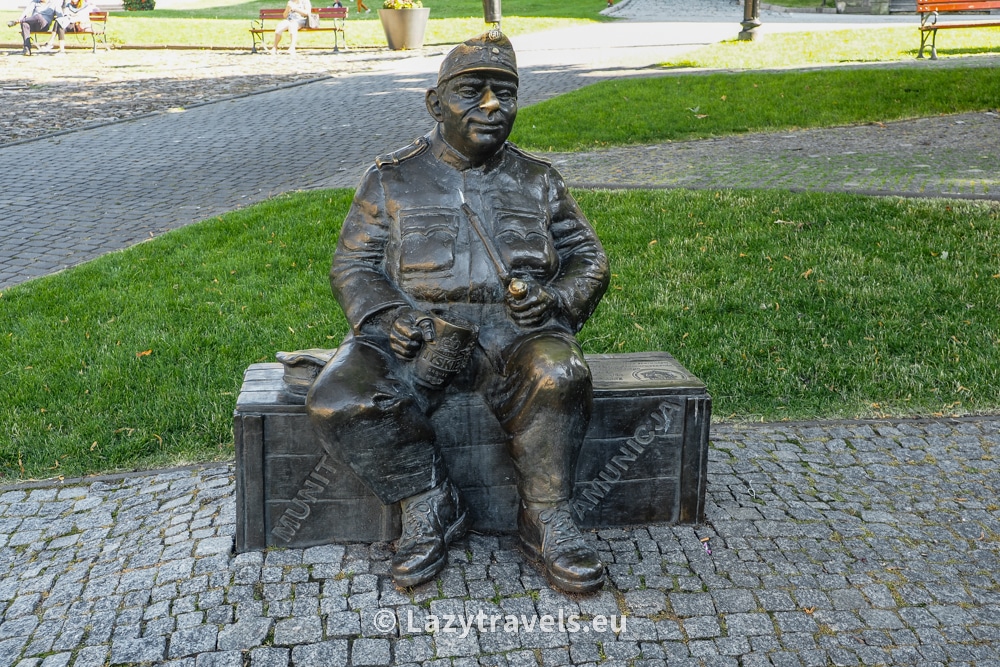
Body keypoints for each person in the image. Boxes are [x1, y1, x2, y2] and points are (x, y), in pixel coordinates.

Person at [306, 31, 610, 594]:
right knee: (339, 399)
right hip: (417, 336)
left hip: (516, 334)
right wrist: (388, 318)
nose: (492, 105)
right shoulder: (391, 178)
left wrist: (555, 300)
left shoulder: (538, 179)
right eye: (472, 91)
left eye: (505, 93)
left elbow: (588, 258)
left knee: (559, 373)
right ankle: (429, 502)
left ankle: (546, 517)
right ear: (435, 102)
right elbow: (354, 264)